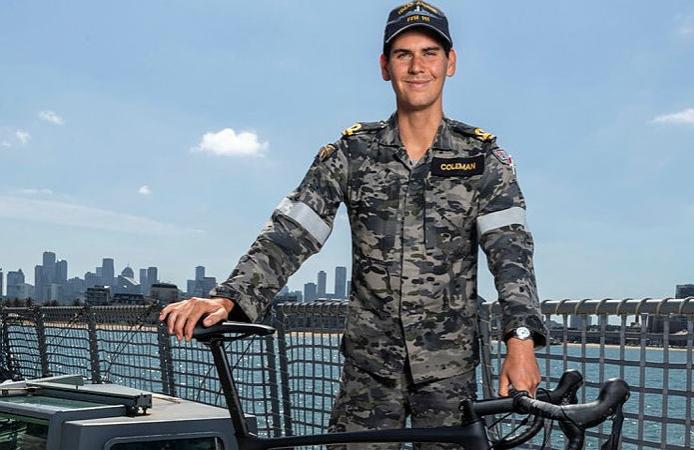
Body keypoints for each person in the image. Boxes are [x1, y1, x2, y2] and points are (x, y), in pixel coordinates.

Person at [159, 1, 547, 448]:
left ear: (450, 63)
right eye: (403, 54)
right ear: (385, 67)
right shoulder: (352, 152)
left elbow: (511, 255)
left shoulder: (481, 157)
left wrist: (520, 339)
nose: (417, 66)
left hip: (448, 373)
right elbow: (291, 233)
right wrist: (229, 297)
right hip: (368, 370)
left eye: (429, 53)